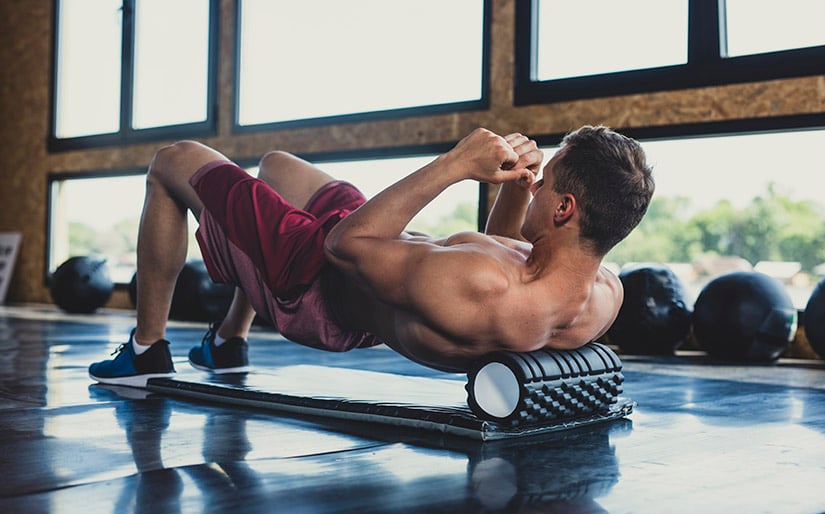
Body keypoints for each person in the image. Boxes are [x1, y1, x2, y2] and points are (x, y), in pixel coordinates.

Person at [89, 126, 654, 386]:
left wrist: (457, 162)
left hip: (311, 279)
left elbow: (345, 246)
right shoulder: (600, 292)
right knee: (279, 164)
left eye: (545, 182)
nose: (536, 185)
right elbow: (506, 249)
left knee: (173, 159)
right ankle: (228, 342)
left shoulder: (481, 283)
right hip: (376, 266)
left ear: (564, 210)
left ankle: (145, 350)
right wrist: (512, 186)